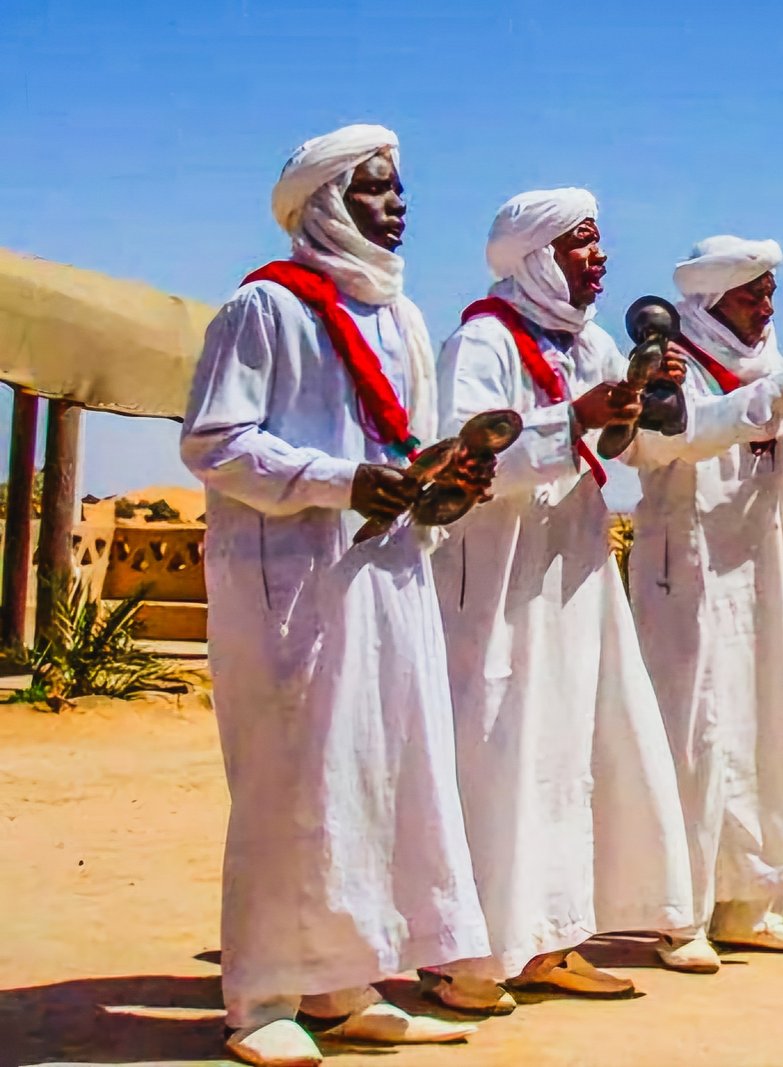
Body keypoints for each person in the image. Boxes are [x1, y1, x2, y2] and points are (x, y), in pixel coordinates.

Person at [181, 124, 489, 1067]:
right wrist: (335, 479)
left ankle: (346, 983)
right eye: (377, 191)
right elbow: (215, 442)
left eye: (401, 191)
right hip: (291, 580)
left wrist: (442, 483)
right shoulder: (264, 309)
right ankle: (263, 996)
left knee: (370, 773)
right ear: (324, 206)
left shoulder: (400, 318)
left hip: (386, 570)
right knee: (288, 782)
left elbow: (408, 445)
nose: (399, 207)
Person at [424, 188, 700, 1009]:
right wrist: (566, 421)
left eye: (599, 241)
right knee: (497, 750)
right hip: (499, 577)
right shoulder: (482, 339)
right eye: (582, 242)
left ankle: (551, 939)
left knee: (565, 753)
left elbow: (632, 445)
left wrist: (656, 393)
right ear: (536, 255)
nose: (600, 257)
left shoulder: (591, 345)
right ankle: (465, 957)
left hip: (572, 569)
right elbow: (458, 454)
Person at [622, 235, 783, 968]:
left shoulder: (769, 364)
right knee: (698, 739)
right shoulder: (675, 364)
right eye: (749, 296)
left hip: (761, 565)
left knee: (768, 728)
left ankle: (749, 904)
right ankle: (681, 915)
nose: (764, 308)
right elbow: (687, 438)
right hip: (692, 571)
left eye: (768, 296)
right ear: (710, 301)